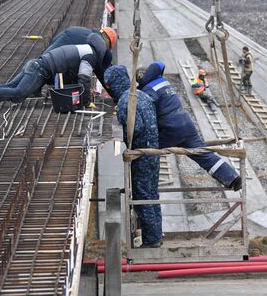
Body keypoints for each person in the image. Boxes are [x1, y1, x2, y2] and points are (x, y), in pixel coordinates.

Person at [136, 61, 241, 190]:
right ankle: (232, 179)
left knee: (144, 150)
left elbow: (145, 113)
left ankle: (144, 186)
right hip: (187, 125)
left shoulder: (148, 90)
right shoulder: (163, 81)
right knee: (204, 154)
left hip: (171, 129)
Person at [0, 30, 115, 113]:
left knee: (11, 87)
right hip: (40, 70)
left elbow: (73, 74)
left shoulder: (85, 46)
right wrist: (87, 102)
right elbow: (83, 77)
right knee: (19, 94)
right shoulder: (91, 55)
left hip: (37, 64)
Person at [104, 65, 162, 248]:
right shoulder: (141, 94)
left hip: (141, 155)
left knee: (141, 196)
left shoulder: (125, 100)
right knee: (152, 194)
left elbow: (135, 128)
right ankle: (156, 234)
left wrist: (122, 135)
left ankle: (152, 240)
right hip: (153, 152)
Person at [46, 26, 117, 53]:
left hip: (50, 54)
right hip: (58, 60)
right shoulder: (95, 45)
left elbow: (54, 40)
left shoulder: (85, 31)